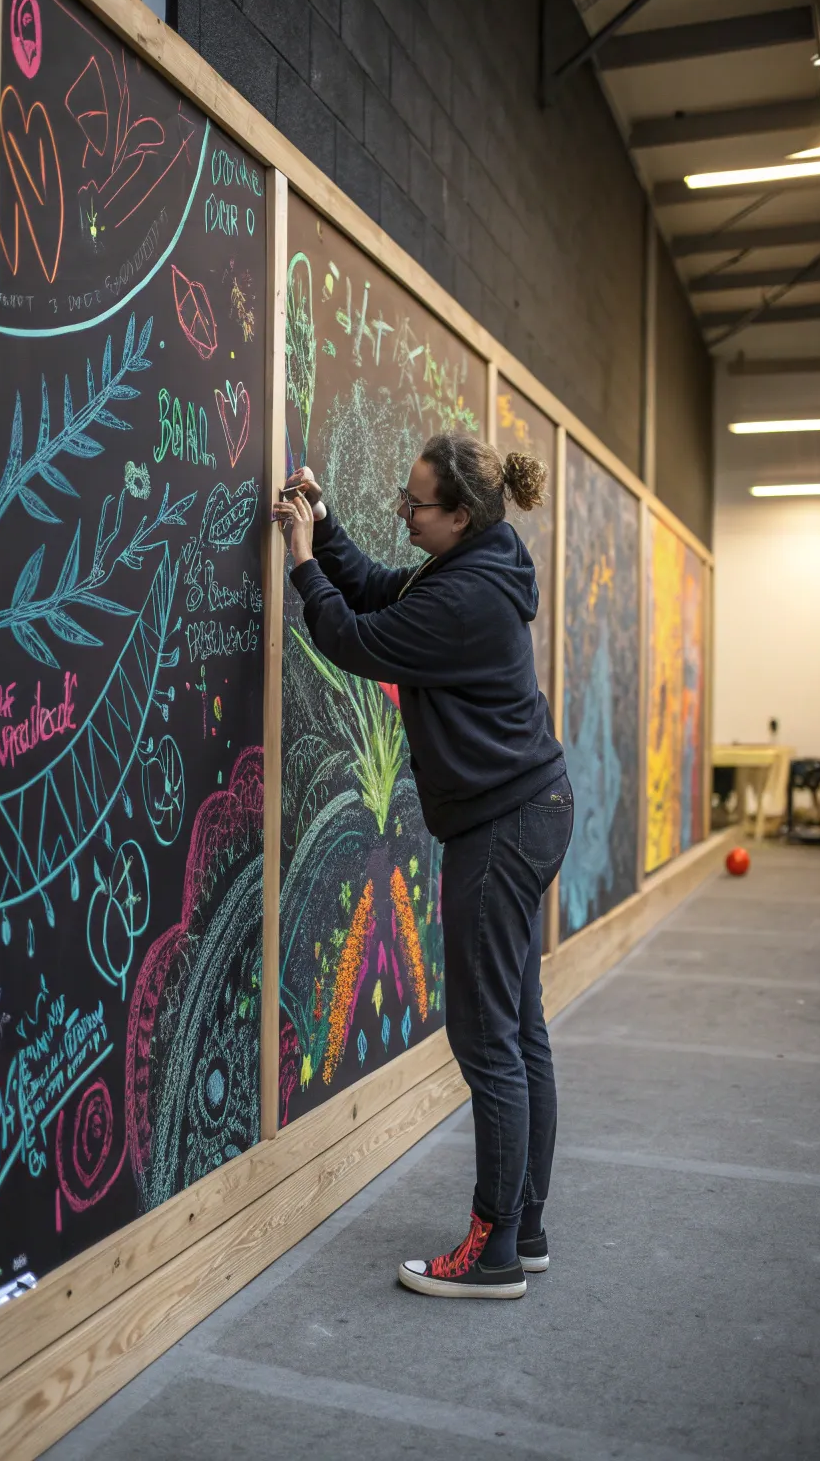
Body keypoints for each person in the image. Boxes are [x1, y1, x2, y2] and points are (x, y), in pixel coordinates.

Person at [273, 433, 572, 1301]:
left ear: (461, 515)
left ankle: (493, 1252)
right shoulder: (475, 563)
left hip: (502, 826)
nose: (402, 512)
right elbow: (378, 589)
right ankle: (522, 1229)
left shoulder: (467, 597)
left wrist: (300, 560)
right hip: (527, 810)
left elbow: (356, 637)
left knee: (486, 1040)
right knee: (517, 1029)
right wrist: (325, 526)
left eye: (415, 503)